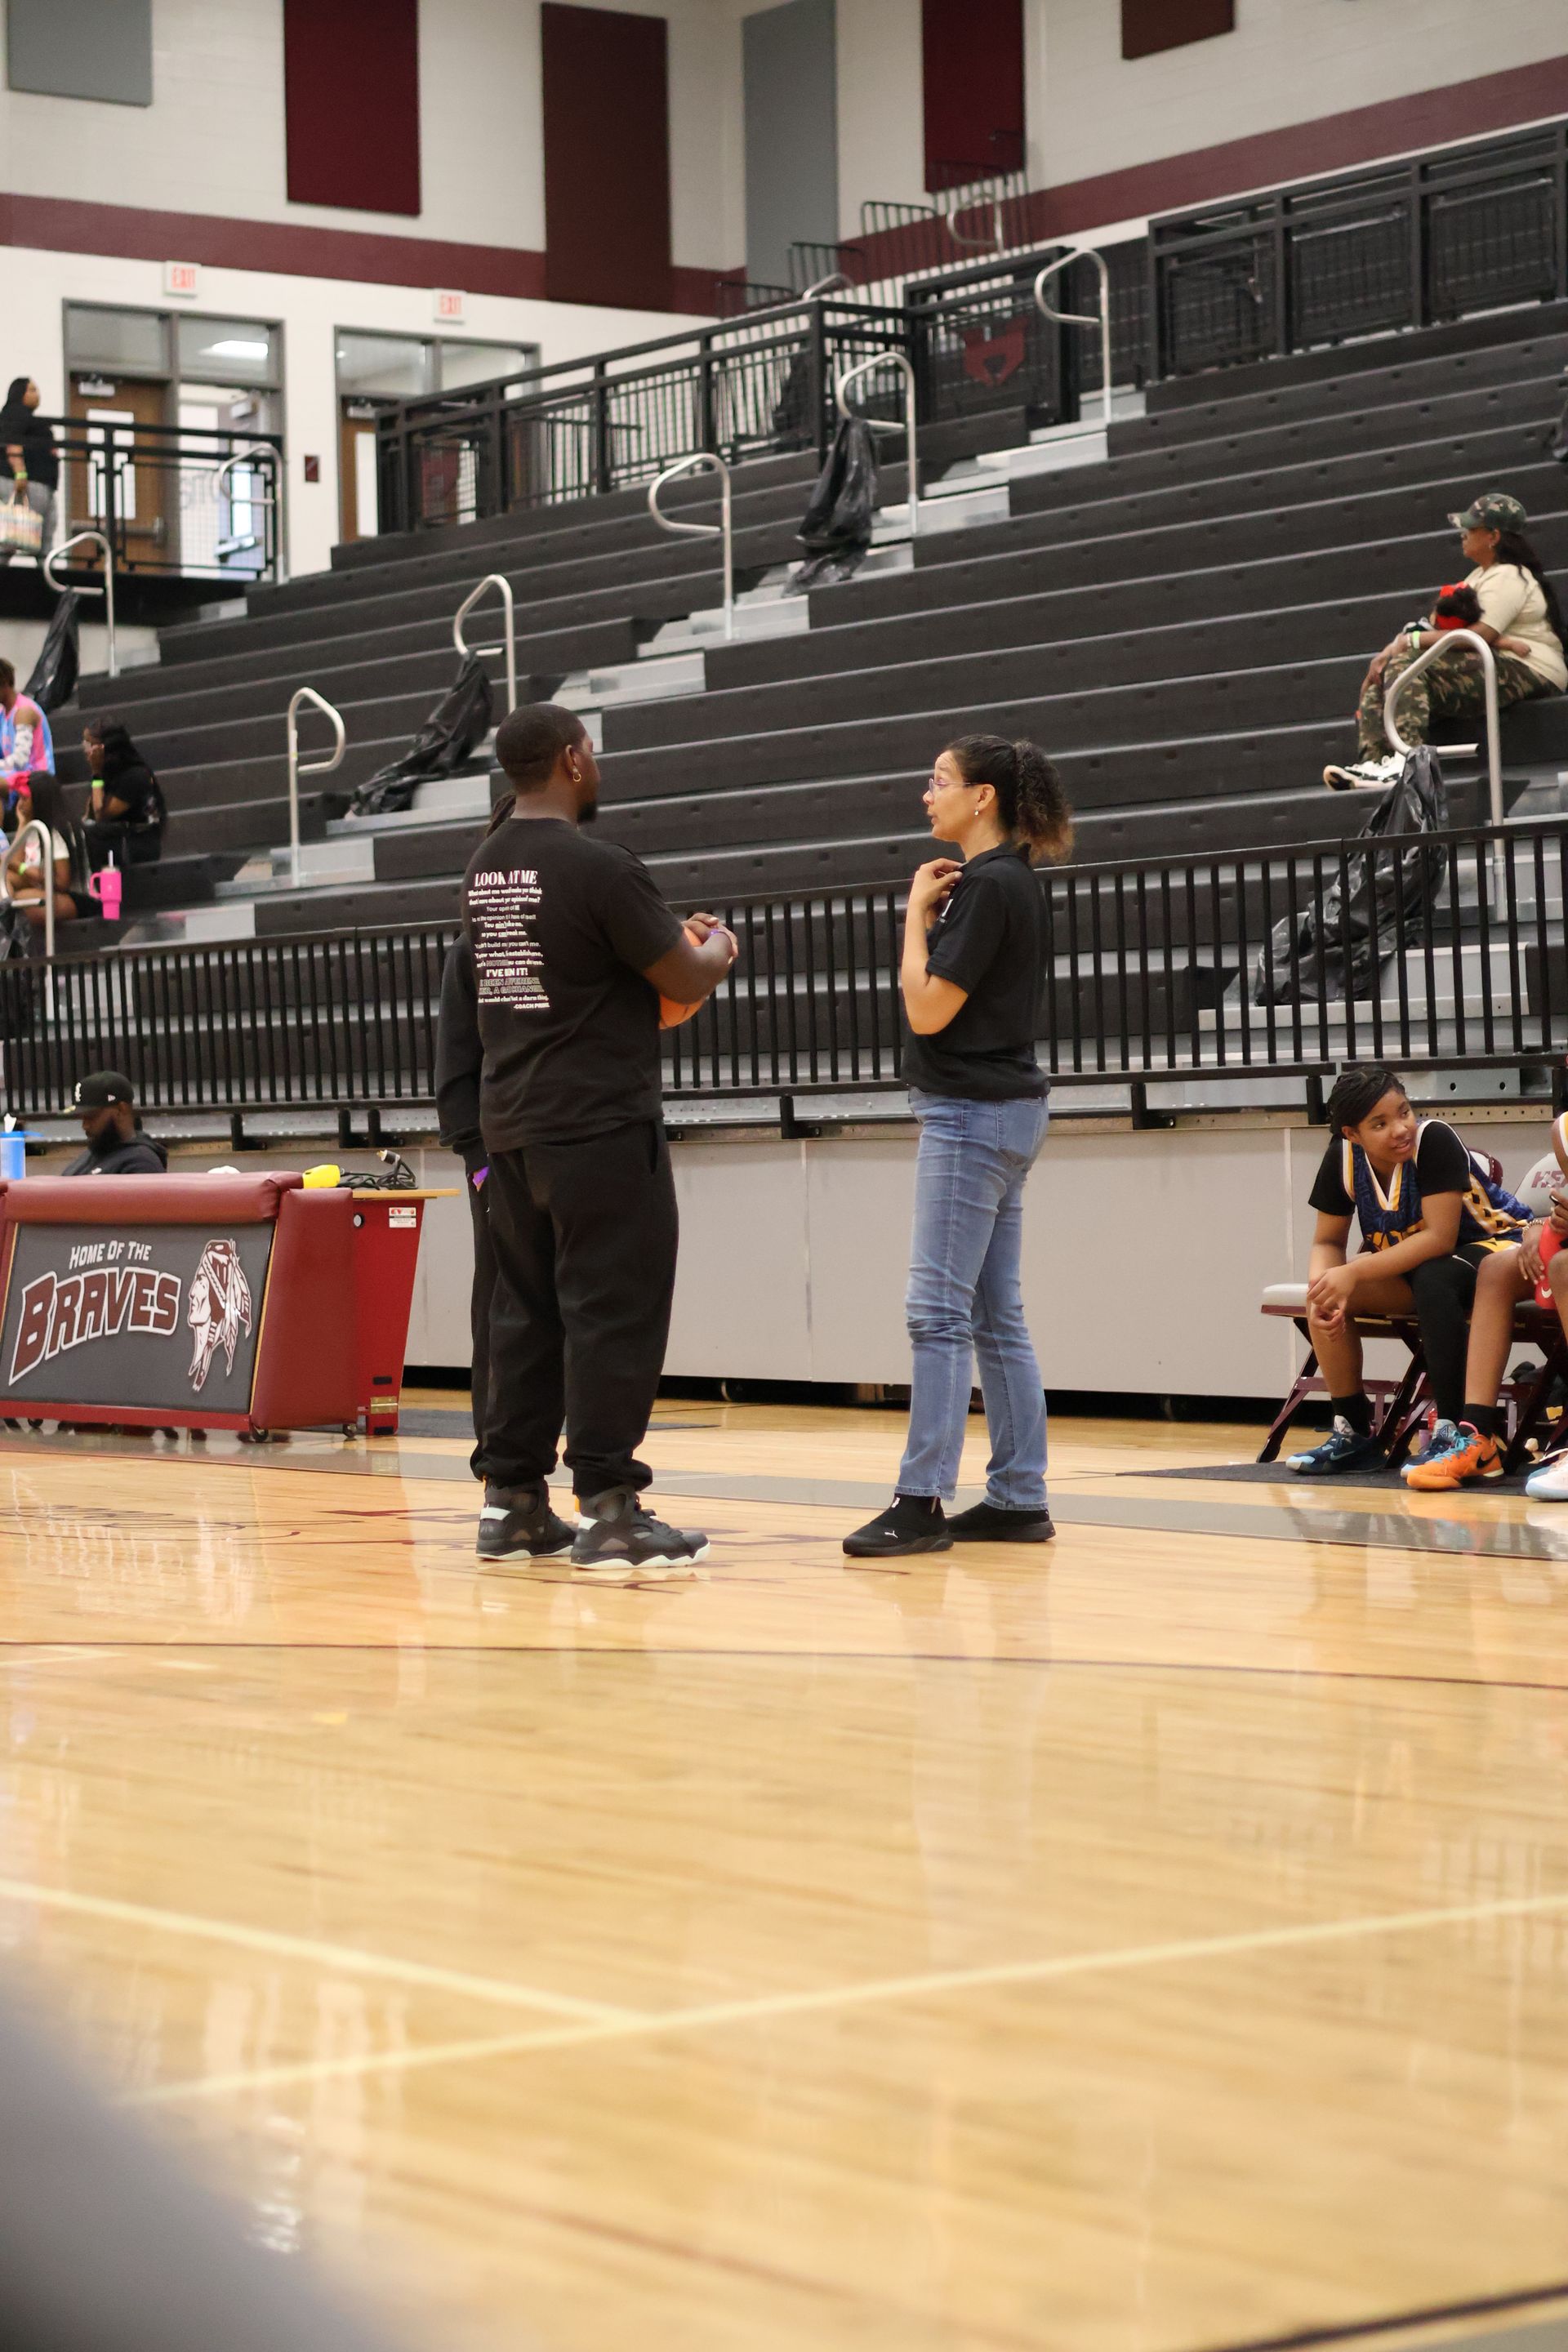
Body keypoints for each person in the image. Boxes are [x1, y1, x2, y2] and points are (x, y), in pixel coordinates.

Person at [463, 702, 738, 1575]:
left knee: (525, 1314)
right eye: (593, 752)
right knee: (612, 1311)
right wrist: (719, 948)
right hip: (598, 1124)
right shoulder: (600, 866)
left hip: (511, 1125)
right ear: (573, 761)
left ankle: (512, 1503)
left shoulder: (483, 867)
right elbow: (681, 972)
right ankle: (611, 1507)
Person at [844, 734, 1074, 1561]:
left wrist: (913, 918)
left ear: (983, 798)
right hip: (1006, 1112)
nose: (926, 793)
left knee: (937, 1312)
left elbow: (928, 1009)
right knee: (993, 1314)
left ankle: (920, 1501)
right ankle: (1018, 1496)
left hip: (972, 1116)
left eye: (939, 780)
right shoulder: (1010, 881)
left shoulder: (986, 886)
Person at [1287, 1066, 1530, 1477]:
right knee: (1323, 1295)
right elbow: (1327, 1242)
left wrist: (1354, 1273)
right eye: (1380, 1124)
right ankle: (1354, 1433)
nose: (1401, 1128)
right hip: (1422, 1267)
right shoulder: (1342, 1158)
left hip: (1498, 1246)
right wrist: (1326, 1286)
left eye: (1404, 1112)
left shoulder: (1433, 1139)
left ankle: (1453, 1430)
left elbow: (1439, 1238)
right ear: (1352, 1134)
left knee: (1434, 1277)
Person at [1325, 492, 1567, 790]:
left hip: (1529, 668)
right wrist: (1390, 650)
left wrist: (1410, 641)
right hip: (1497, 660)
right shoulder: (1479, 576)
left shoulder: (1508, 575)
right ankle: (1376, 765)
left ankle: (1407, 762)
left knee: (1408, 665)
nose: (1463, 533)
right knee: (1383, 679)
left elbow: (1480, 635)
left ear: (1493, 536)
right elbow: (1439, 628)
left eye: (1471, 528)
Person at [1404, 1108, 1568, 1490]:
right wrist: (1541, 1225)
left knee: (1564, 1267)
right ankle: (1477, 1437)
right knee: (1495, 1270)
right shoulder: (1563, 1130)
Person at [434, 918, 494, 1478]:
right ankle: (498, 1464)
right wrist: (478, 1162)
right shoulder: (469, 952)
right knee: (500, 1302)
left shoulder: (568, 935)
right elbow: (455, 1072)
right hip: (496, 1159)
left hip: (562, 1150)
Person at [3, 774, 85, 933]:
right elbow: (12, 866)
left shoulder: (58, 831)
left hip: (70, 897)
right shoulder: (31, 828)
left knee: (17, 902)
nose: (19, 804)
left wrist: (22, 868)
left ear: (39, 801)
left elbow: (62, 883)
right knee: (6, 890)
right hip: (39, 889)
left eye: (24, 799)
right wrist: (22, 824)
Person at [82, 717, 165, 868]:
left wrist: (96, 775)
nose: (85, 749)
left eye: (90, 745)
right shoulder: (107, 774)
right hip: (111, 845)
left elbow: (101, 815)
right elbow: (90, 815)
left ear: (105, 748)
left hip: (133, 847)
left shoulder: (135, 776)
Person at [0, 374, 57, 566]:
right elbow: (13, 442)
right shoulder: (16, 414)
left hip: (39, 484)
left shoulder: (23, 417)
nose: (37, 394)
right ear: (20, 393)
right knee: (13, 532)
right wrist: (20, 473)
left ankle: (46, 575)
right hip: (28, 483)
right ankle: (45, 576)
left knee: (27, 534)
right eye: (32, 390)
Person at [62, 1071, 168, 1174]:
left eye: (91, 1116)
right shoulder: (91, 1155)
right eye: (82, 1118)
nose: (85, 1126)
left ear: (121, 1110)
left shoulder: (142, 1163)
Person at [0, 655, 54, 819]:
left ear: (5, 682)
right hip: (16, 777)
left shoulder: (24, 712)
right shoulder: (2, 713)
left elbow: (20, 761)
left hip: (36, 779)